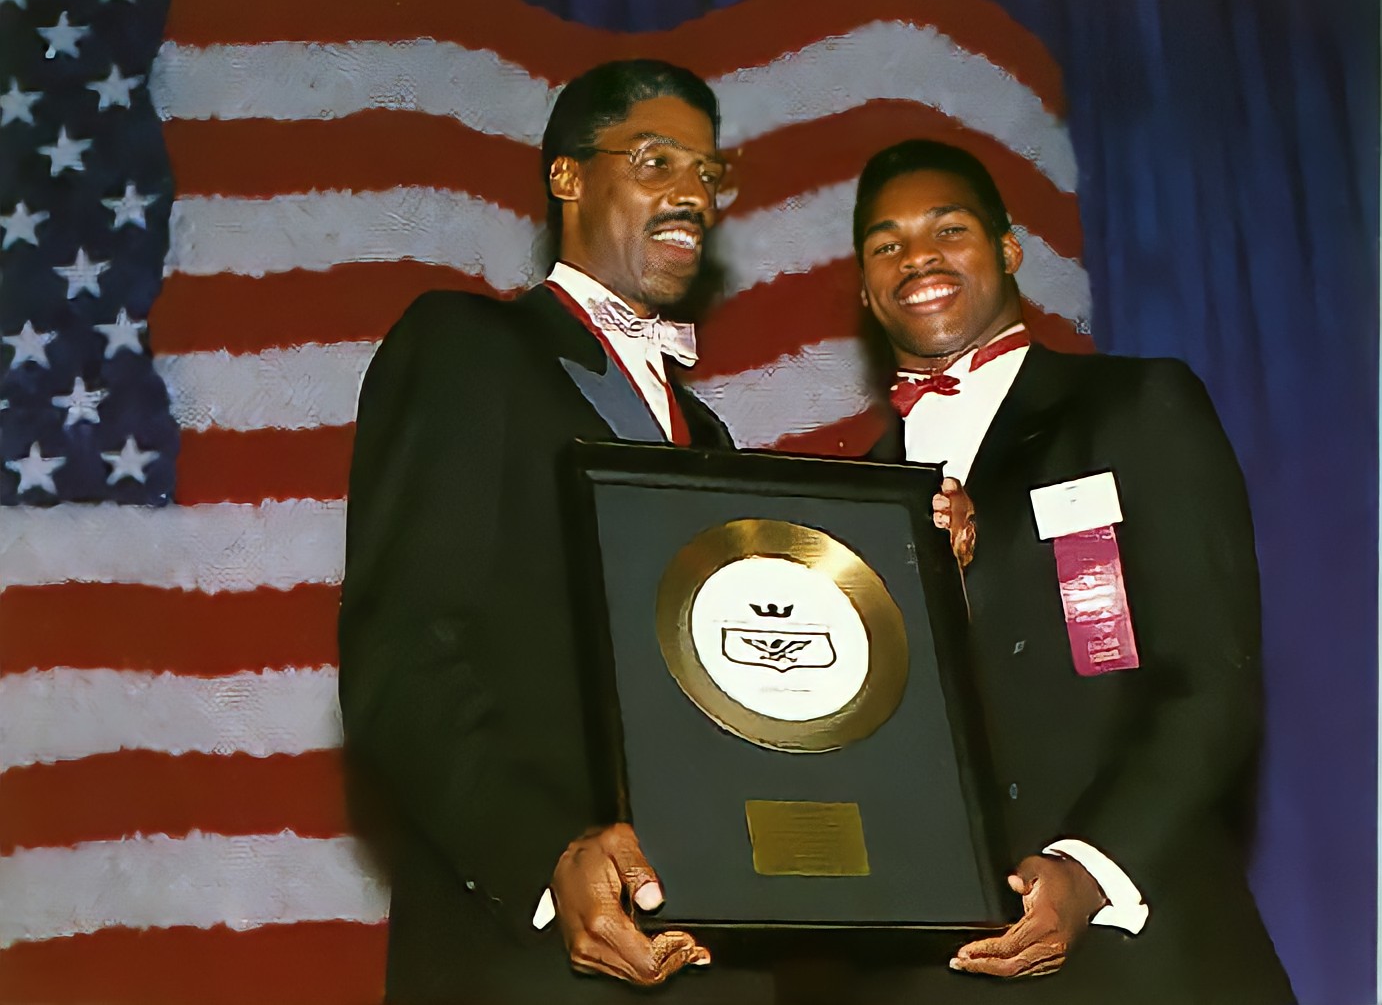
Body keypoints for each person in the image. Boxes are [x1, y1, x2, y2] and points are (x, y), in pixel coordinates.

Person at [337, 60, 775, 1003]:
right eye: (657, 161)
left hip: (711, 954)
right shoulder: (466, 347)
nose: (692, 194)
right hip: (526, 958)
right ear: (567, 176)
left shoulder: (713, 437)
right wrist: (546, 860)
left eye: (709, 172)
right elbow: (400, 659)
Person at [854, 139, 1296, 1002]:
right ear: (866, 288)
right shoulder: (839, 507)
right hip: (931, 975)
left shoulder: (1135, 409)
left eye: (949, 228)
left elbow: (1212, 680)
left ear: (1010, 249)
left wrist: (1088, 871)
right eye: (887, 244)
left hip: (1141, 958)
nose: (919, 259)